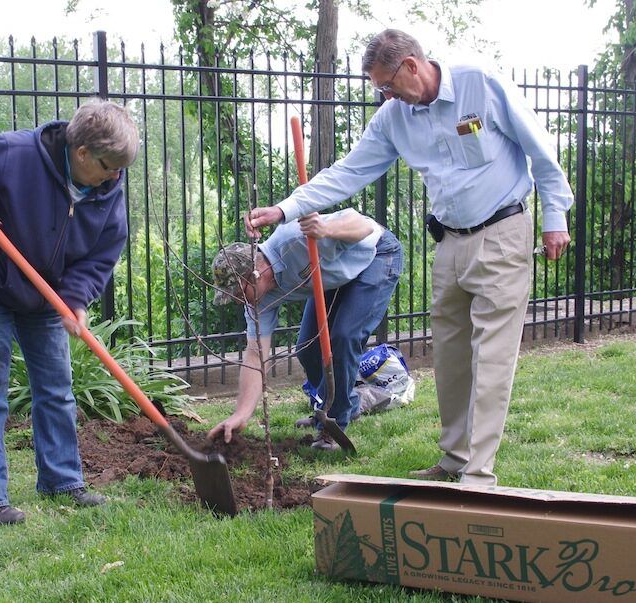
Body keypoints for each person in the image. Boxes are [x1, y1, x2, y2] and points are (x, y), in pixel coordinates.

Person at [245, 30, 574, 485]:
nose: (386, 94)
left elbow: (539, 148)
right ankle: (454, 460)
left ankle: (478, 474)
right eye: (380, 89)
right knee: (452, 358)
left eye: (388, 84)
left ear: (413, 66)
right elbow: (348, 172)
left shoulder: (480, 84)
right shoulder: (393, 118)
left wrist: (554, 215)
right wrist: (287, 208)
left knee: (492, 356)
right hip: (451, 242)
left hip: (502, 232)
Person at [0, 99, 139, 524]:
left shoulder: (107, 192)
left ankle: (62, 481)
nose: (114, 176)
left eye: (121, 169)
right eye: (108, 165)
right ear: (81, 153)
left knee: (56, 390)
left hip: (47, 294)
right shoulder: (18, 155)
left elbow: (101, 255)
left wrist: (76, 299)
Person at [207, 209, 403, 451]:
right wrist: (241, 414)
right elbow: (255, 354)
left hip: (376, 255)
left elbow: (363, 225)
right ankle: (336, 405)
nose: (239, 301)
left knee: (342, 339)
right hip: (334, 274)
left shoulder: (295, 240)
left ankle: (333, 424)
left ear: (256, 273)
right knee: (307, 350)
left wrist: (326, 229)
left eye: (238, 293)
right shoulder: (257, 301)